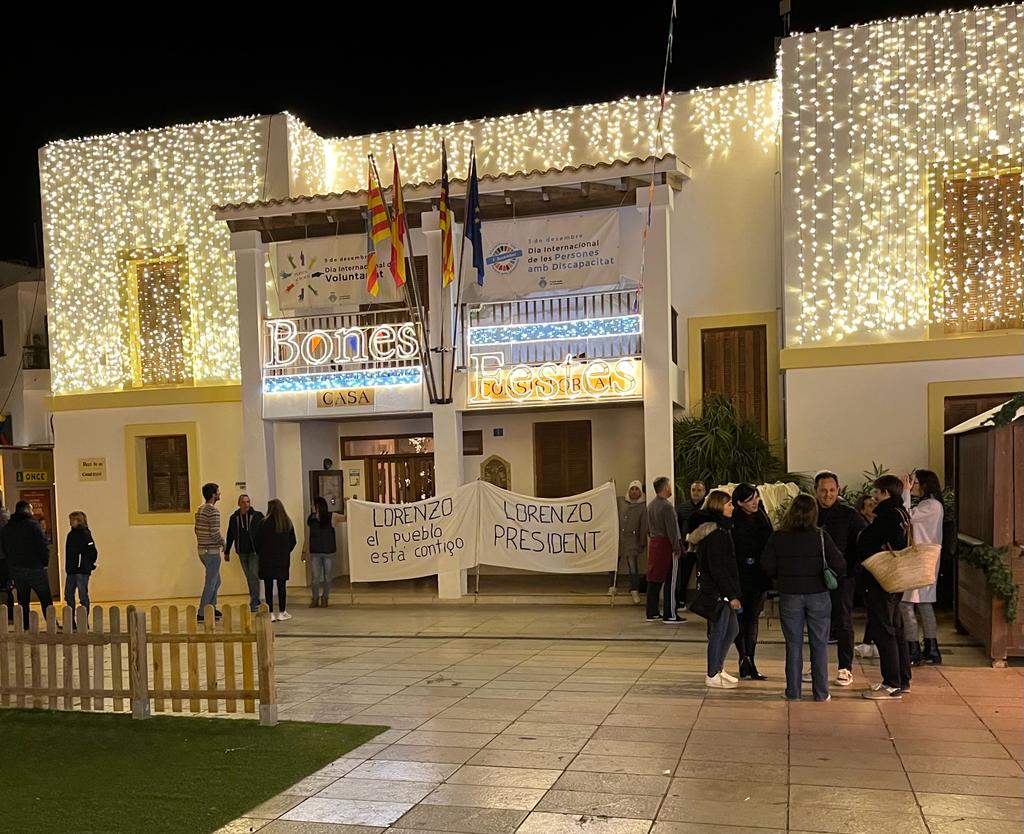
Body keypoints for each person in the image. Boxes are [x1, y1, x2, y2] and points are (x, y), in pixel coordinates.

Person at [762, 495, 845, 701]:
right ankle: (821, 692)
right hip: (818, 594)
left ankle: (793, 692)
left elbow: (766, 565)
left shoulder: (779, 536)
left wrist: (781, 577)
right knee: (819, 644)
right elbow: (839, 564)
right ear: (813, 513)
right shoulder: (821, 536)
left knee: (793, 644)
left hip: (790, 594)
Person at [857, 475, 912, 700]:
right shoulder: (902, 513)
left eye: (876, 493)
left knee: (884, 630)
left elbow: (868, 542)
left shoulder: (887, 516)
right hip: (896, 580)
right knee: (896, 629)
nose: (874, 497)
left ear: (885, 493)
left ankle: (892, 683)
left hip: (881, 580)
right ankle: (903, 679)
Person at [814, 471, 867, 687]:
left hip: (843, 578)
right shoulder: (809, 513)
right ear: (815, 491)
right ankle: (816, 666)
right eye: (823, 490)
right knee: (816, 622)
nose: (828, 495)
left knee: (843, 620)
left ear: (838, 490)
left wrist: (850, 568)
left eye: (832, 490)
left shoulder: (850, 514)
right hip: (813, 577)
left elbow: (864, 541)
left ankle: (845, 667)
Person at [687, 490, 742, 689]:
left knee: (732, 629)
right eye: (728, 505)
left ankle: (718, 667)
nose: (732, 508)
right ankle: (712, 673)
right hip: (719, 593)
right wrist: (731, 595)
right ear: (719, 506)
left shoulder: (722, 530)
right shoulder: (717, 534)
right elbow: (719, 568)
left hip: (722, 590)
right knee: (719, 632)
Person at [900, 469, 945, 665]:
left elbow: (905, 514)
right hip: (924, 561)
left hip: (921, 561)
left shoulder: (931, 505)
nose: (913, 486)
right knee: (923, 604)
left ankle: (914, 648)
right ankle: (930, 648)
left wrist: (905, 492)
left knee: (907, 604)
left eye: (915, 483)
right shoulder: (931, 505)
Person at [730, 484, 773, 680]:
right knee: (740, 619)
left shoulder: (762, 517)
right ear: (739, 502)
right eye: (750, 499)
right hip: (739, 575)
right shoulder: (733, 521)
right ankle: (743, 658)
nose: (755, 501)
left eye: (756, 497)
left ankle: (750, 660)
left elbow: (770, 541)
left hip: (758, 575)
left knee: (753, 619)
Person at [0, 501, 53, 629]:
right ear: (26, 510)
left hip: (17, 569)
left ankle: (25, 627)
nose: (33, 512)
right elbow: (43, 546)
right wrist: (44, 563)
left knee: (23, 600)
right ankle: (51, 625)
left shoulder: (7, 528)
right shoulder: (33, 526)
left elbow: (4, 548)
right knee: (45, 598)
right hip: (35, 568)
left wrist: (11, 564)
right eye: (31, 509)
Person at [645, 477, 685, 624]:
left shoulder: (651, 505)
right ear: (665, 488)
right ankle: (670, 614)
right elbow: (672, 530)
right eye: (669, 486)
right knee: (672, 580)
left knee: (654, 578)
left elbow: (648, 528)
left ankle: (652, 611)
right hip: (667, 546)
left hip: (655, 545)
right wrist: (676, 547)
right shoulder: (667, 507)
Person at [255, 499, 296, 622]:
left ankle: (270, 612)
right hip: (282, 559)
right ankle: (282, 611)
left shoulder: (263, 523)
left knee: (268, 586)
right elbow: (293, 541)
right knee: (281, 585)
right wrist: (285, 552)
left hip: (266, 559)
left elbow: (257, 541)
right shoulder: (287, 523)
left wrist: (261, 553)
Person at [225, 494, 264, 613]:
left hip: (254, 551)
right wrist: (227, 551)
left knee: (253, 574)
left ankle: (255, 599)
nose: (246, 504)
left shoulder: (257, 516)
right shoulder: (234, 518)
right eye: (243, 502)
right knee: (249, 576)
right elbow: (230, 534)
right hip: (242, 551)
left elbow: (264, 531)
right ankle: (255, 597)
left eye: (248, 502)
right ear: (239, 503)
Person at [611, 480, 647, 603]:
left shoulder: (642, 506)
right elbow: (608, 503)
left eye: (637, 489)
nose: (634, 491)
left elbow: (643, 525)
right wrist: (610, 487)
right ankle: (612, 585)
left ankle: (634, 589)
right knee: (613, 563)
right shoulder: (621, 501)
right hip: (619, 538)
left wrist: (642, 542)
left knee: (633, 566)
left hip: (632, 540)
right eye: (632, 489)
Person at [194, 482, 225, 623]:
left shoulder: (200, 509)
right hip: (211, 551)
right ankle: (202, 612)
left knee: (216, 580)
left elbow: (196, 529)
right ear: (213, 494)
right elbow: (214, 532)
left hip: (201, 550)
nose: (219, 494)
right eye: (218, 491)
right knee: (211, 582)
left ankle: (211, 607)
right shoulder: (213, 511)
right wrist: (223, 543)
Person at [853, 493, 879, 659]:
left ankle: (869, 642)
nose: (874, 507)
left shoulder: (878, 525)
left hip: (875, 573)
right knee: (873, 609)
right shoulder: (863, 529)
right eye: (870, 505)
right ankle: (869, 643)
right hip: (866, 574)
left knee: (875, 610)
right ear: (862, 510)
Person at [675, 481, 707, 610]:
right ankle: (680, 601)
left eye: (699, 490)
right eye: (694, 490)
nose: (696, 492)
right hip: (686, 547)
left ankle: (702, 603)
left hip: (703, 548)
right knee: (683, 575)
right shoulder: (682, 508)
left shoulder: (707, 507)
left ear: (704, 492)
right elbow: (677, 526)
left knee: (703, 576)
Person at [306, 496, 341, 608]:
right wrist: (304, 550)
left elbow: (346, 517)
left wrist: (347, 504)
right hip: (315, 551)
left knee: (327, 576)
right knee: (315, 577)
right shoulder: (311, 518)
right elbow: (309, 535)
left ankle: (325, 597)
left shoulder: (332, 516)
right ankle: (315, 597)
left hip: (328, 551)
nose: (312, 506)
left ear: (318, 506)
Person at [64, 511, 97, 626]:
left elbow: (92, 551)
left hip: (81, 570)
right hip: (72, 570)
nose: (70, 522)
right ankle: (71, 620)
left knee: (83, 595)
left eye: (72, 520)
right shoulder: (71, 534)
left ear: (78, 520)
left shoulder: (85, 534)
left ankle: (83, 621)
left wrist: (88, 564)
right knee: (68, 594)